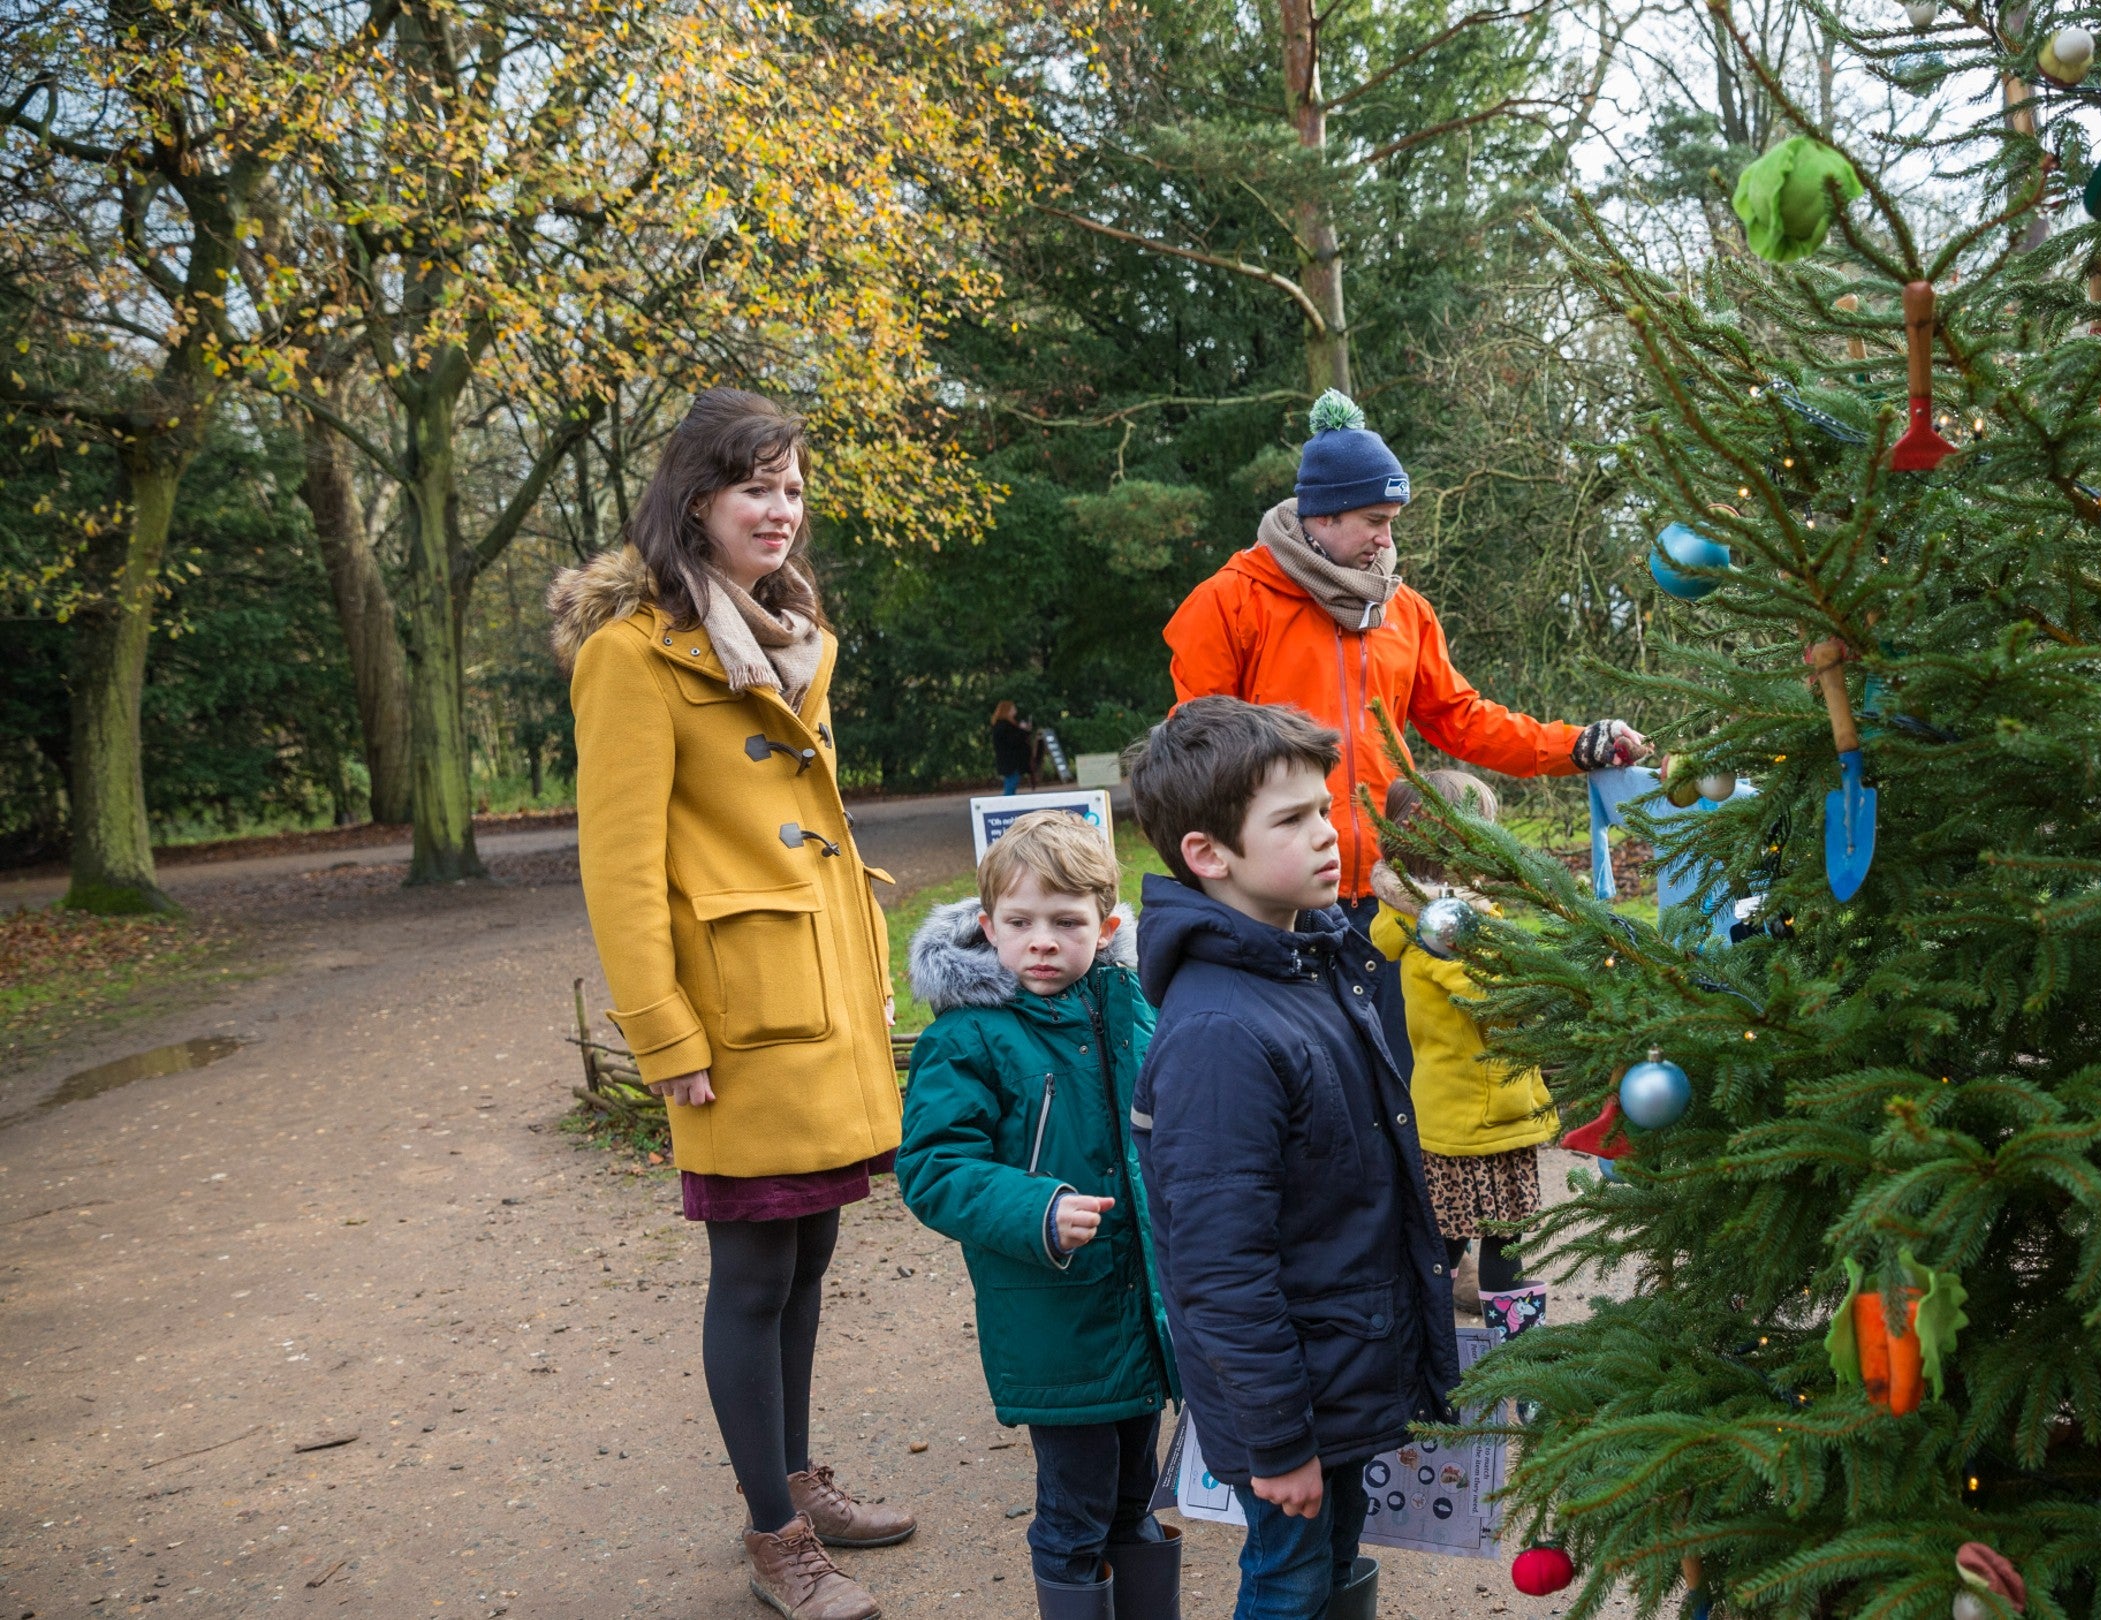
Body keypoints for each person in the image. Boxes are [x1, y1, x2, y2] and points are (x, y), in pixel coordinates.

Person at [552, 388, 911, 1620]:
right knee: (752, 1270)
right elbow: (620, 865)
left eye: (794, 488)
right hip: (732, 1015)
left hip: (814, 998)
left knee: (810, 1254)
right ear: (695, 497)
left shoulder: (788, 629)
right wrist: (661, 1036)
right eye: (757, 484)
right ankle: (774, 1538)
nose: (781, 508)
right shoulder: (632, 655)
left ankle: (798, 1484)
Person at [1163, 390, 1651, 1074]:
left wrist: (1574, 745)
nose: (1387, 541)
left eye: (1392, 522)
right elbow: (1195, 759)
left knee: (1401, 1087)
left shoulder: (1406, 612)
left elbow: (1462, 719)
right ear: (1321, 514)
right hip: (1279, 907)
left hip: (1392, 896)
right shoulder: (1226, 603)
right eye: (1374, 521)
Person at [1122, 697, 1456, 1620]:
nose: (1329, 835)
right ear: (1207, 855)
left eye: (1325, 808)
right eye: (1294, 820)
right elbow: (1219, 1268)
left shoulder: (1307, 961)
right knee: (1288, 1583)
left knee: (1331, 1558)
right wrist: (1276, 1441)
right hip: (1291, 1397)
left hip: (1336, 1371)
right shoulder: (1223, 1032)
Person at [898, 813, 1179, 1620]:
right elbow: (932, 1167)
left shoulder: (1131, 1006)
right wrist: (1038, 1208)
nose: (1043, 942)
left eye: (1066, 922)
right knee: (1075, 1506)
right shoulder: (968, 1037)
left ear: (1108, 925)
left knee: (1137, 1491)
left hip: (1142, 1307)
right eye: (1020, 924)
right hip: (1056, 1317)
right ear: (989, 927)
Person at [1366, 772, 1554, 1331]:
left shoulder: (1412, 919)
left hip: (1448, 1112)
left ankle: (1425, 1346)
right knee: (1501, 1244)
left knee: (1446, 1241)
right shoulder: (1445, 931)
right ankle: (1517, 1361)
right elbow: (1497, 995)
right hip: (1483, 1118)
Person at [993, 700, 1036, 795]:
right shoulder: (1004, 726)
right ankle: (1006, 804)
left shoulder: (1005, 725)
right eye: (1012, 708)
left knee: (1012, 783)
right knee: (1011, 784)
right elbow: (1014, 741)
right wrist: (1024, 731)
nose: (1014, 710)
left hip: (1011, 761)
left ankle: (1007, 802)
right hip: (1010, 762)